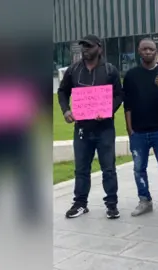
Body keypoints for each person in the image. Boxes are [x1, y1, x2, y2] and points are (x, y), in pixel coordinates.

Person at [57, 34, 123, 219]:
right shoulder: (74, 70)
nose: (85, 49)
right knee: (81, 168)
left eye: (89, 46)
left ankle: (112, 204)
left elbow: (119, 94)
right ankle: (80, 203)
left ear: (99, 48)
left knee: (108, 167)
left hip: (105, 127)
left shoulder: (110, 70)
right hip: (82, 128)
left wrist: (109, 109)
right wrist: (66, 110)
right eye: (83, 47)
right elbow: (62, 91)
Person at [123, 38, 158, 218]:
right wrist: (130, 129)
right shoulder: (131, 75)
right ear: (139, 51)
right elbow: (127, 104)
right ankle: (144, 200)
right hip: (138, 131)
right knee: (139, 168)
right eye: (144, 49)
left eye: (151, 49)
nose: (147, 52)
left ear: (156, 52)